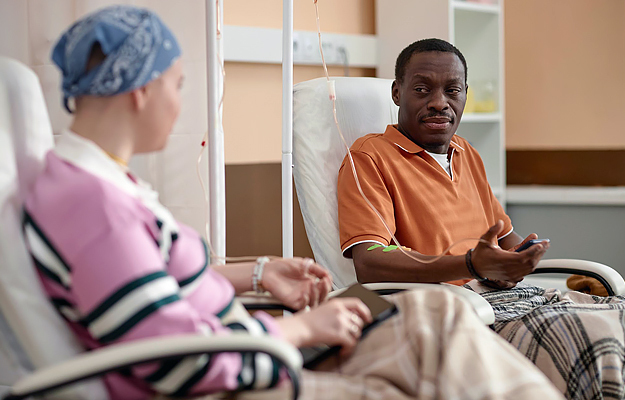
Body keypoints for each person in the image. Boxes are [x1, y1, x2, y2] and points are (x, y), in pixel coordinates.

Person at [23, 7, 564, 399]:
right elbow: (175, 359)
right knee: (440, 330)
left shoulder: (98, 187)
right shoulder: (93, 208)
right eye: (180, 84)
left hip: (253, 349)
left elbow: (156, 289)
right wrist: (302, 330)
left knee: (440, 323)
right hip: (246, 370)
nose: (182, 103)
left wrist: (259, 273)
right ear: (141, 92)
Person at [337, 38, 625, 399]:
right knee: (592, 340)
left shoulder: (466, 153)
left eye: (452, 90)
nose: (439, 102)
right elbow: (369, 262)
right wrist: (471, 265)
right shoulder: (369, 158)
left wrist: (521, 256)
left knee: (618, 316)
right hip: (456, 312)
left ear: (465, 95)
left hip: (509, 297)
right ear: (398, 93)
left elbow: (502, 237)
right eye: (422, 89)